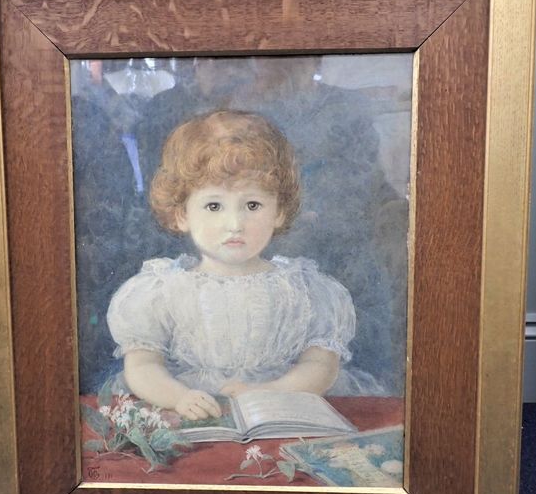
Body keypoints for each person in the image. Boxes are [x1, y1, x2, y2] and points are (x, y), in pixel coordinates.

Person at [107, 110, 382, 422]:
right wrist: (179, 397)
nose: (235, 224)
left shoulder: (304, 289)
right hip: (189, 413)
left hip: (281, 409)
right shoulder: (161, 290)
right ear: (181, 215)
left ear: (279, 211)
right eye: (214, 206)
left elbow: (321, 365)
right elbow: (142, 365)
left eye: (253, 205)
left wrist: (275, 390)